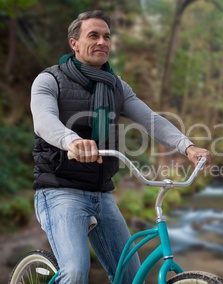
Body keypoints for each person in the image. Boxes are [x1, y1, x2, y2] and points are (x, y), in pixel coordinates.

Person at [30, 10, 211, 284]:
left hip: (101, 194)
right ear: (74, 43)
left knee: (130, 275)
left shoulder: (116, 87)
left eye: (107, 36)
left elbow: (151, 119)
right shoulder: (49, 79)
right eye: (94, 35)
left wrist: (187, 147)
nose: (102, 41)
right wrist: (72, 141)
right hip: (59, 190)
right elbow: (44, 121)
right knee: (76, 272)